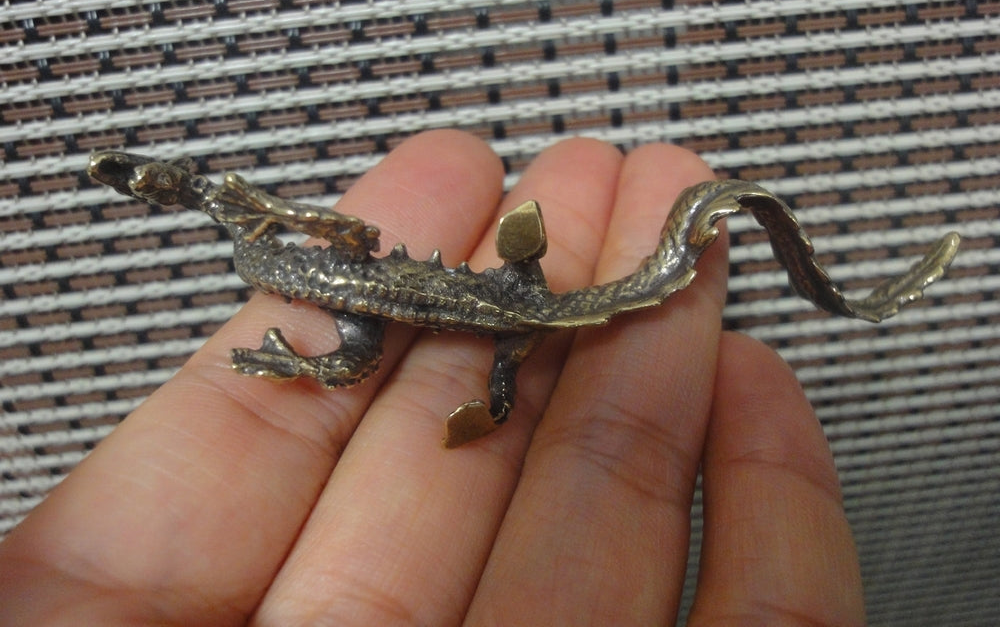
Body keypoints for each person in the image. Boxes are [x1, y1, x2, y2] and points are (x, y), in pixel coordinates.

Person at [0, 130, 865, 625]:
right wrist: (293, 343)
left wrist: (293, 362)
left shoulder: (338, 294)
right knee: (510, 339)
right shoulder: (310, 268)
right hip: (495, 298)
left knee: (512, 358)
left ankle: (498, 405)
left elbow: (355, 352)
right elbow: (353, 298)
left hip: (503, 309)